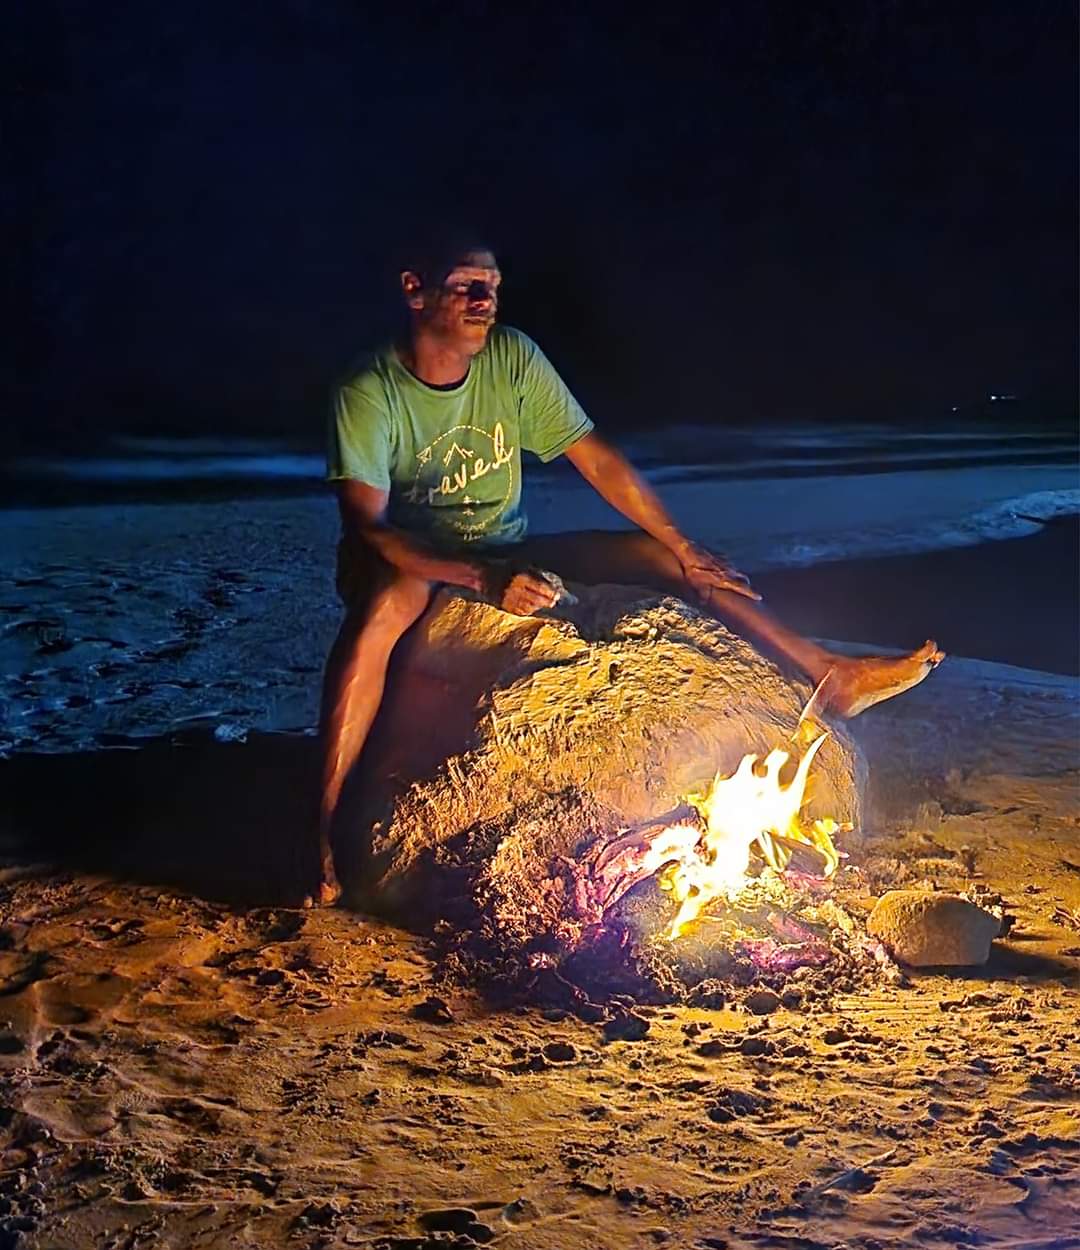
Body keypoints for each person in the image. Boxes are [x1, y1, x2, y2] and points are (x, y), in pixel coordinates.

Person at [316, 234, 943, 905]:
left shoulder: (512, 357)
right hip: (411, 561)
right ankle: (322, 826)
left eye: (493, 287)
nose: (484, 301)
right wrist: (479, 580)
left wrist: (680, 540)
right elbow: (371, 531)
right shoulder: (369, 390)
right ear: (415, 289)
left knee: (661, 557)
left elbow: (596, 458)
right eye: (467, 285)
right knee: (382, 615)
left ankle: (826, 671)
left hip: (504, 546)